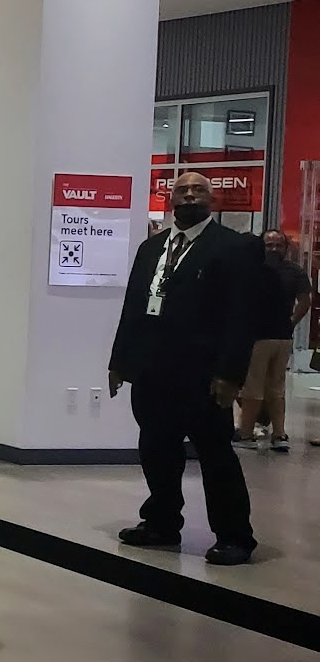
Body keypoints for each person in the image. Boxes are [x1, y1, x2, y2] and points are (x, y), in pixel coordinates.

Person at [108, 171, 263, 566]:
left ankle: (234, 536)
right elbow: (133, 306)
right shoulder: (151, 248)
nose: (190, 195)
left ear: (212, 200)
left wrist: (231, 374)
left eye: (198, 190)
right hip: (152, 371)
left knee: (215, 455)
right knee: (156, 450)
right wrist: (119, 362)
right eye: (182, 190)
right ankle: (161, 523)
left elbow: (241, 317)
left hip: (203, 376)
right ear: (170, 199)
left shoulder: (233, 248)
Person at [238, 230, 310, 451]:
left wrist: (291, 322)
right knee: (276, 389)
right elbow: (304, 301)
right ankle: (279, 434)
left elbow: (304, 301)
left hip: (260, 337)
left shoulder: (253, 271)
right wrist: (290, 324)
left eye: (278, 245)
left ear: (286, 248)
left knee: (252, 387)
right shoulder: (294, 271)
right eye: (269, 245)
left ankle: (246, 434)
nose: (274, 249)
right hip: (281, 336)